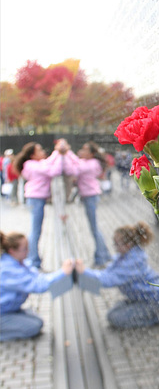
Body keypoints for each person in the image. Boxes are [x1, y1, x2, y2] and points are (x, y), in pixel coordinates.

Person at [75, 221, 159, 328]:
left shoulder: (134, 262)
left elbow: (108, 279)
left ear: (128, 245)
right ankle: (150, 314)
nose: (114, 247)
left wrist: (83, 271)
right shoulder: (123, 257)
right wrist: (85, 272)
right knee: (113, 311)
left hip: (153, 301)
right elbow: (106, 273)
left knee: (114, 318)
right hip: (140, 298)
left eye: (116, 244)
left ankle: (156, 318)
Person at [0, 231, 74, 341]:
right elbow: (37, 285)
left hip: (10, 310)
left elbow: (38, 277)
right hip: (3, 313)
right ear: (12, 251)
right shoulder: (7, 269)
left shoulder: (17, 262)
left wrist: (62, 272)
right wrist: (63, 272)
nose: (28, 251)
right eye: (24, 249)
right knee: (33, 327)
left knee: (37, 321)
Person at [14, 140, 69, 268]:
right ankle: (33, 260)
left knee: (36, 229)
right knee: (35, 230)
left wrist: (57, 152)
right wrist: (60, 155)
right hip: (35, 198)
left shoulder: (34, 163)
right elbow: (53, 170)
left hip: (36, 199)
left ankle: (33, 258)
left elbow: (48, 163)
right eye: (39, 150)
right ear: (32, 155)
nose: (42, 152)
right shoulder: (31, 165)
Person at [63, 141, 111, 266]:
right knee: (94, 227)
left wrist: (67, 152)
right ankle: (104, 255)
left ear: (92, 153)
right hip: (89, 195)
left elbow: (73, 169)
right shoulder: (89, 162)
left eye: (85, 150)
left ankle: (101, 257)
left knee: (94, 228)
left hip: (90, 196)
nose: (82, 151)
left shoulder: (91, 164)